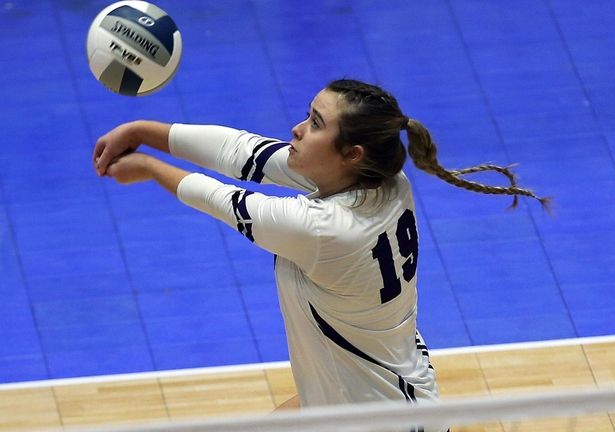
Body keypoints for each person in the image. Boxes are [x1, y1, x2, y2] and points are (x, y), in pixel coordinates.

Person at [93, 79, 547, 431]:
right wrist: (141, 131)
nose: (297, 128)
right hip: (355, 403)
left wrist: (151, 167)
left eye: (314, 123)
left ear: (351, 153)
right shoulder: (384, 182)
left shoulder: (323, 229)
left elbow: (221, 198)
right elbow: (243, 152)